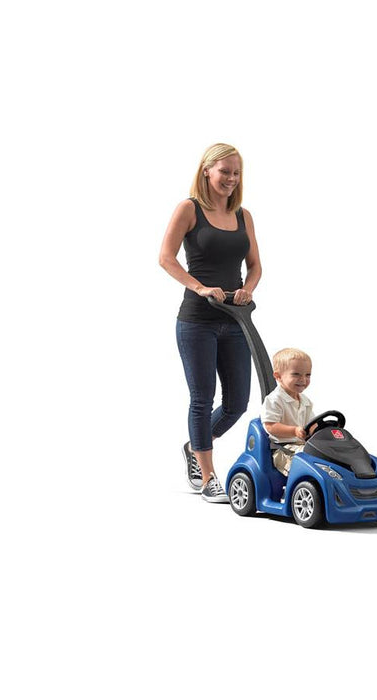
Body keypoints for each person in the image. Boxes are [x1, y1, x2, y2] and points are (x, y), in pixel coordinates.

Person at [159, 143, 261, 503]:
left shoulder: (243, 215)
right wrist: (199, 287)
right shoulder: (189, 209)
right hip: (197, 321)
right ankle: (207, 477)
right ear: (207, 170)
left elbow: (255, 266)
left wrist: (247, 290)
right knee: (202, 400)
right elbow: (166, 257)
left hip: (235, 320)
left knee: (237, 403)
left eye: (236, 173)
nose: (231, 178)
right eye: (225, 171)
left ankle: (195, 445)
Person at [261, 348, 315, 476]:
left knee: (324, 455)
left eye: (307, 375)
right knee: (303, 465)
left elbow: (312, 424)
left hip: (302, 446)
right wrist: (294, 431)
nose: (303, 379)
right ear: (278, 376)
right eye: (296, 374)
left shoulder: (306, 401)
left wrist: (320, 431)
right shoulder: (274, 400)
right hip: (282, 449)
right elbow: (270, 426)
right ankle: (298, 483)